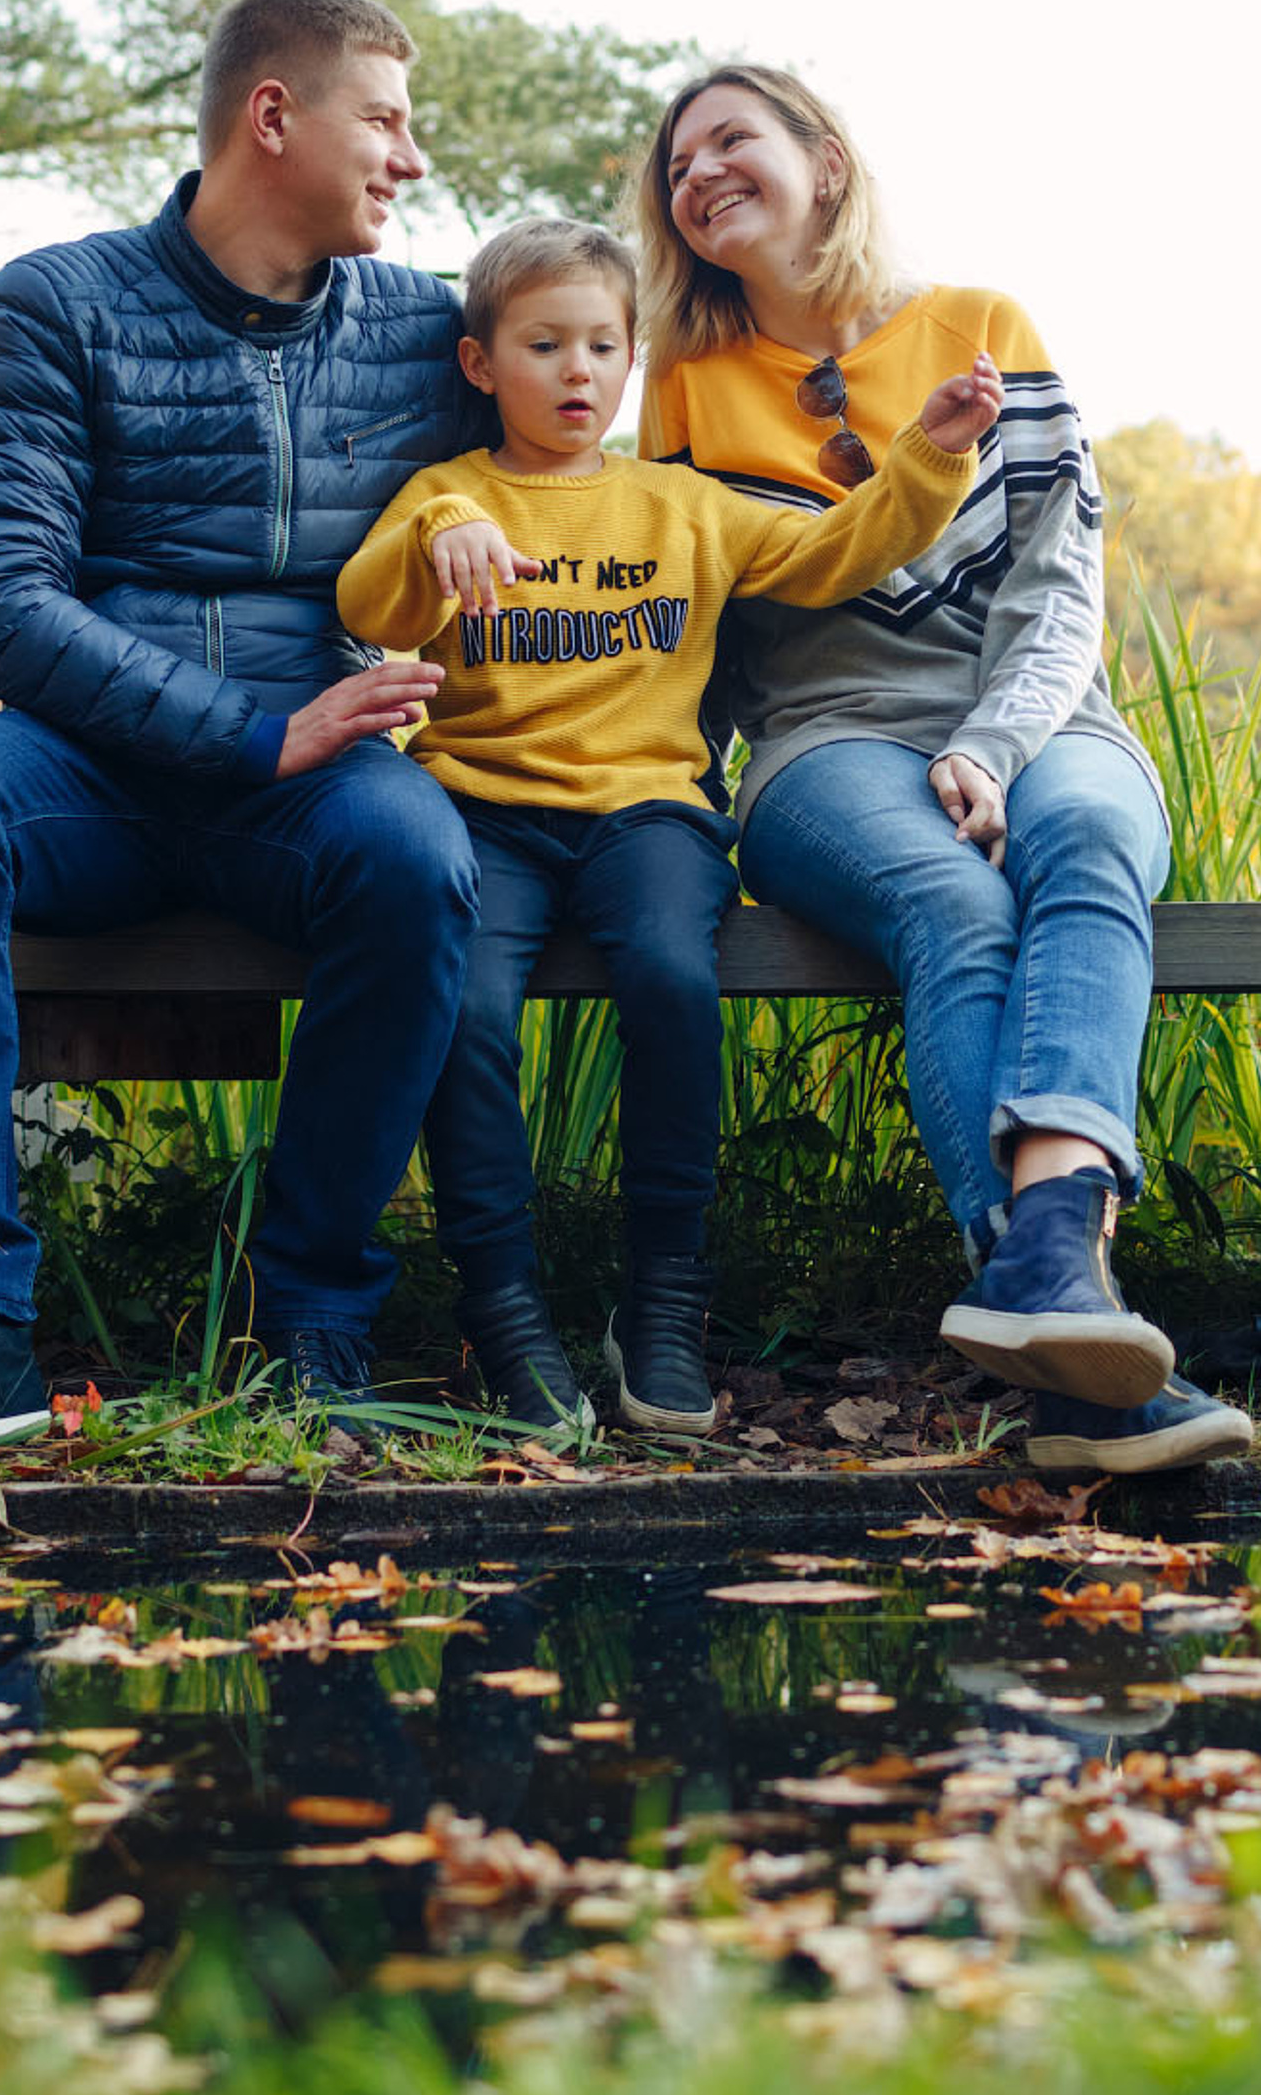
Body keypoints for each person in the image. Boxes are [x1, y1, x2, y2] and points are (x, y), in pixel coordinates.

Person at [0, 0, 489, 1443]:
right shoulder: (58, 301)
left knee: (417, 859)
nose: (412, 157)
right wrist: (246, 730)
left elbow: (577, 464)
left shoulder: (427, 330)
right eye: (385, 120)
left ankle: (311, 1326)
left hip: (322, 793)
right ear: (275, 116)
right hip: (96, 775)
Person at [634, 66, 1255, 1476]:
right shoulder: (683, 382)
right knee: (953, 906)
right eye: (678, 164)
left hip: (1035, 714)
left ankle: (1049, 1281)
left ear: (827, 163)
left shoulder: (980, 328)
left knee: (1090, 842)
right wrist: (668, 782)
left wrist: (993, 744)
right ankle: (1072, 1319)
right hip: (826, 742)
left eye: (734, 139)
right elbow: (707, 624)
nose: (700, 174)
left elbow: (1056, 590)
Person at [336, 217, 991, 1437]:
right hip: (481, 812)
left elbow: (834, 553)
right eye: (543, 345)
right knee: (466, 1012)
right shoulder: (450, 496)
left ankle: (664, 1305)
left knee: (675, 983)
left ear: (632, 359)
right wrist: (443, 539)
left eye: (601, 345)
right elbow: (366, 601)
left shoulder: (682, 505)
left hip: (649, 816)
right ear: (482, 365)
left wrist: (927, 461)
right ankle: (506, 1309)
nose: (576, 372)